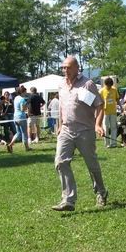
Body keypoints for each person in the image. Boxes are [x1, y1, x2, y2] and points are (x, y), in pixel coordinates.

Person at [52, 56, 108, 212]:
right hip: (66, 130)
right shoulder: (61, 85)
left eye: (68, 67)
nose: (65, 70)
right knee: (61, 162)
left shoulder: (87, 84)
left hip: (85, 130)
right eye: (63, 67)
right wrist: (60, 124)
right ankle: (68, 199)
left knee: (92, 165)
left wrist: (97, 124)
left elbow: (99, 105)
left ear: (77, 68)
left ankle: (101, 192)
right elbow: (63, 107)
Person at [7, 86, 31, 152]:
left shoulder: (16, 98)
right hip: (21, 117)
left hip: (15, 116)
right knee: (24, 132)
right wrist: (27, 105)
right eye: (25, 91)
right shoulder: (22, 99)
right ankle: (27, 148)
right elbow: (22, 109)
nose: (26, 93)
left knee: (18, 133)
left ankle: (10, 144)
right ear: (23, 92)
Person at [100, 77, 120, 148]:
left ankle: (113, 143)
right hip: (105, 112)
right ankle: (107, 143)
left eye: (110, 85)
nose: (109, 87)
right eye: (108, 85)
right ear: (105, 84)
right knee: (106, 128)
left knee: (113, 127)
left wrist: (121, 107)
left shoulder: (114, 90)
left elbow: (117, 99)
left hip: (113, 112)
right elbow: (98, 101)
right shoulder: (101, 91)